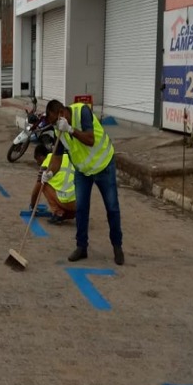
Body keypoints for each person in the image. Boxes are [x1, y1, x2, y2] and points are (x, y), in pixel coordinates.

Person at [44, 99, 124, 265]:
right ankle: (81, 247)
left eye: (55, 121)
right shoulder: (59, 130)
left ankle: (117, 246)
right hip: (83, 172)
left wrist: (71, 129)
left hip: (104, 166)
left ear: (62, 113)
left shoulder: (82, 112)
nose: (55, 126)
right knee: (81, 208)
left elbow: (90, 139)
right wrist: (49, 173)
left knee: (112, 207)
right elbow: (57, 159)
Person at [30, 144, 76, 225]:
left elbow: (36, 191)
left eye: (37, 160)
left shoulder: (46, 163)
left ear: (40, 156)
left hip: (67, 201)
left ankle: (58, 212)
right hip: (79, 202)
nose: (38, 163)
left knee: (43, 183)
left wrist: (33, 206)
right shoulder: (65, 157)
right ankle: (69, 213)